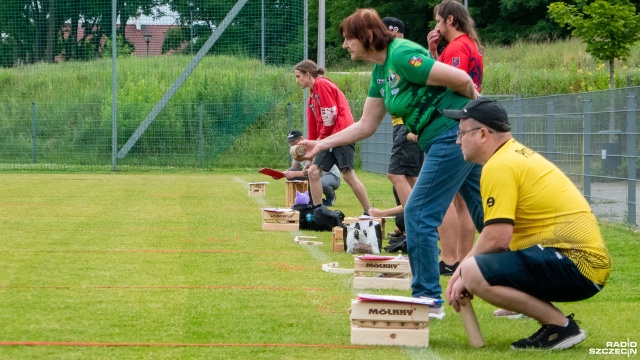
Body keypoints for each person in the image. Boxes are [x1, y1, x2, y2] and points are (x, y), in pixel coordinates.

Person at [298, 9, 484, 319]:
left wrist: (471, 118)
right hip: (446, 139)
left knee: (419, 212)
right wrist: (321, 143)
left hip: (451, 138)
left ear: (367, 36)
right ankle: (525, 286)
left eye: (347, 38)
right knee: (490, 216)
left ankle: (428, 299)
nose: (344, 45)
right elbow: (366, 125)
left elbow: (462, 79)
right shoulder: (381, 72)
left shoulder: (402, 54)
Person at [444, 97, 611, 350]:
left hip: (579, 264)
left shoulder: (499, 166)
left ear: (482, 134)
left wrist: (460, 272)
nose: (457, 140)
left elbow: (497, 238)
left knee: (473, 272)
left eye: (461, 132)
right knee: (477, 267)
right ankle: (528, 308)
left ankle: (561, 328)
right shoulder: (510, 155)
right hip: (577, 260)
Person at [426, 0, 485, 277]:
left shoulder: (459, 46)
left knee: (439, 200)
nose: (436, 26)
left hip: (455, 126)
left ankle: (452, 260)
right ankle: (464, 262)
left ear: (450, 20)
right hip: (467, 123)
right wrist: (433, 52)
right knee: (468, 203)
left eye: (438, 21)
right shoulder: (464, 45)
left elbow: (453, 82)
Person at [368, 17, 424, 237]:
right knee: (409, 179)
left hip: (407, 125)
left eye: (396, 35)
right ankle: (413, 228)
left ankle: (415, 228)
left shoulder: (403, 56)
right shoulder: (381, 66)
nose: (392, 39)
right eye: (388, 34)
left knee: (397, 175)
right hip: (402, 125)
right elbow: (367, 121)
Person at [293, 60, 371, 213]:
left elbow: (330, 115)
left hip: (342, 135)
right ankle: (318, 211)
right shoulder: (312, 95)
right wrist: (310, 157)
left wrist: (319, 142)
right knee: (313, 171)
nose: (297, 81)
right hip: (327, 140)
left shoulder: (322, 85)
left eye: (298, 76)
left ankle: (369, 211)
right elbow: (313, 127)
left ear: (308, 74)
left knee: (348, 175)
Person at [283, 130, 341, 206]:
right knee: (292, 173)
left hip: (331, 175)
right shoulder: (296, 151)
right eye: (290, 143)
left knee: (322, 183)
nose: (292, 145)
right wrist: (282, 174)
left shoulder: (312, 147)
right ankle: (308, 198)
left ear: (301, 139)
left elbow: (313, 171)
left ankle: (331, 196)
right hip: (315, 174)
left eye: (294, 142)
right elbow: (294, 169)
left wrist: (293, 173)